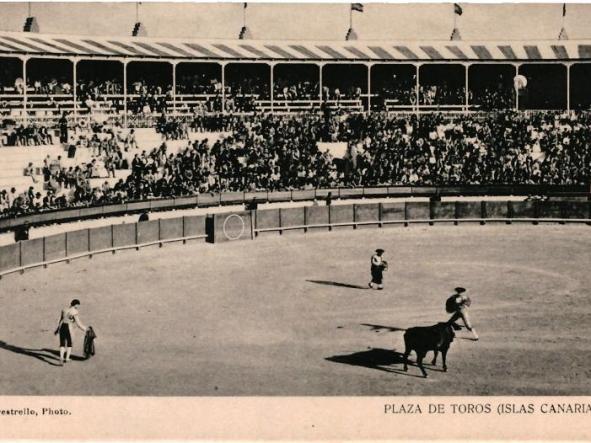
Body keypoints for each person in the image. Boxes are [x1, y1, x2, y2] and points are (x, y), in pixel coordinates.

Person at [54, 299, 88, 365]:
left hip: (62, 327)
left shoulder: (64, 309)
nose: (78, 306)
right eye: (78, 305)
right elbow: (78, 324)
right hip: (68, 328)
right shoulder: (75, 311)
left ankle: (61, 358)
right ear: (76, 304)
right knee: (69, 343)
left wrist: (57, 329)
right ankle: (67, 358)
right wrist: (85, 329)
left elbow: (60, 320)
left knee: (62, 343)